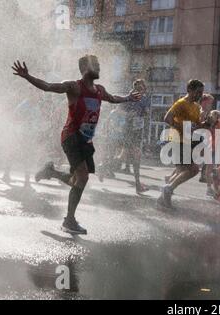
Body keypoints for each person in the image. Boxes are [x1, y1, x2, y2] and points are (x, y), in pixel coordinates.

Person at [12, 55, 142, 235]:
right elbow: (49, 86)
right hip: (71, 136)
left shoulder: (99, 90)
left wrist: (128, 97)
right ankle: (69, 220)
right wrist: (28, 77)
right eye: (96, 65)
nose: (99, 68)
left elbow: (112, 98)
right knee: (83, 177)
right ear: (85, 68)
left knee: (76, 180)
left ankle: (52, 172)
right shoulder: (73, 86)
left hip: (86, 140)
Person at [157, 80, 205, 208]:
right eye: (198, 92)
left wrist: (205, 123)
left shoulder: (196, 106)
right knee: (192, 169)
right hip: (178, 140)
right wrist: (182, 128)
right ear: (189, 90)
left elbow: (196, 125)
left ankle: (164, 194)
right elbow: (167, 118)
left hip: (188, 142)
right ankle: (168, 189)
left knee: (183, 170)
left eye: (202, 92)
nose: (200, 95)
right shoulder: (181, 103)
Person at [121, 79, 150, 194]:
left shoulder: (145, 99)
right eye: (138, 89)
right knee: (134, 156)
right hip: (128, 130)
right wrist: (128, 114)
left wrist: (145, 112)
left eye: (142, 89)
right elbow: (118, 110)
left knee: (128, 156)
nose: (140, 91)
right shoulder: (128, 97)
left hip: (138, 130)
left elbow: (147, 113)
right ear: (134, 88)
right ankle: (138, 184)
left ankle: (104, 166)